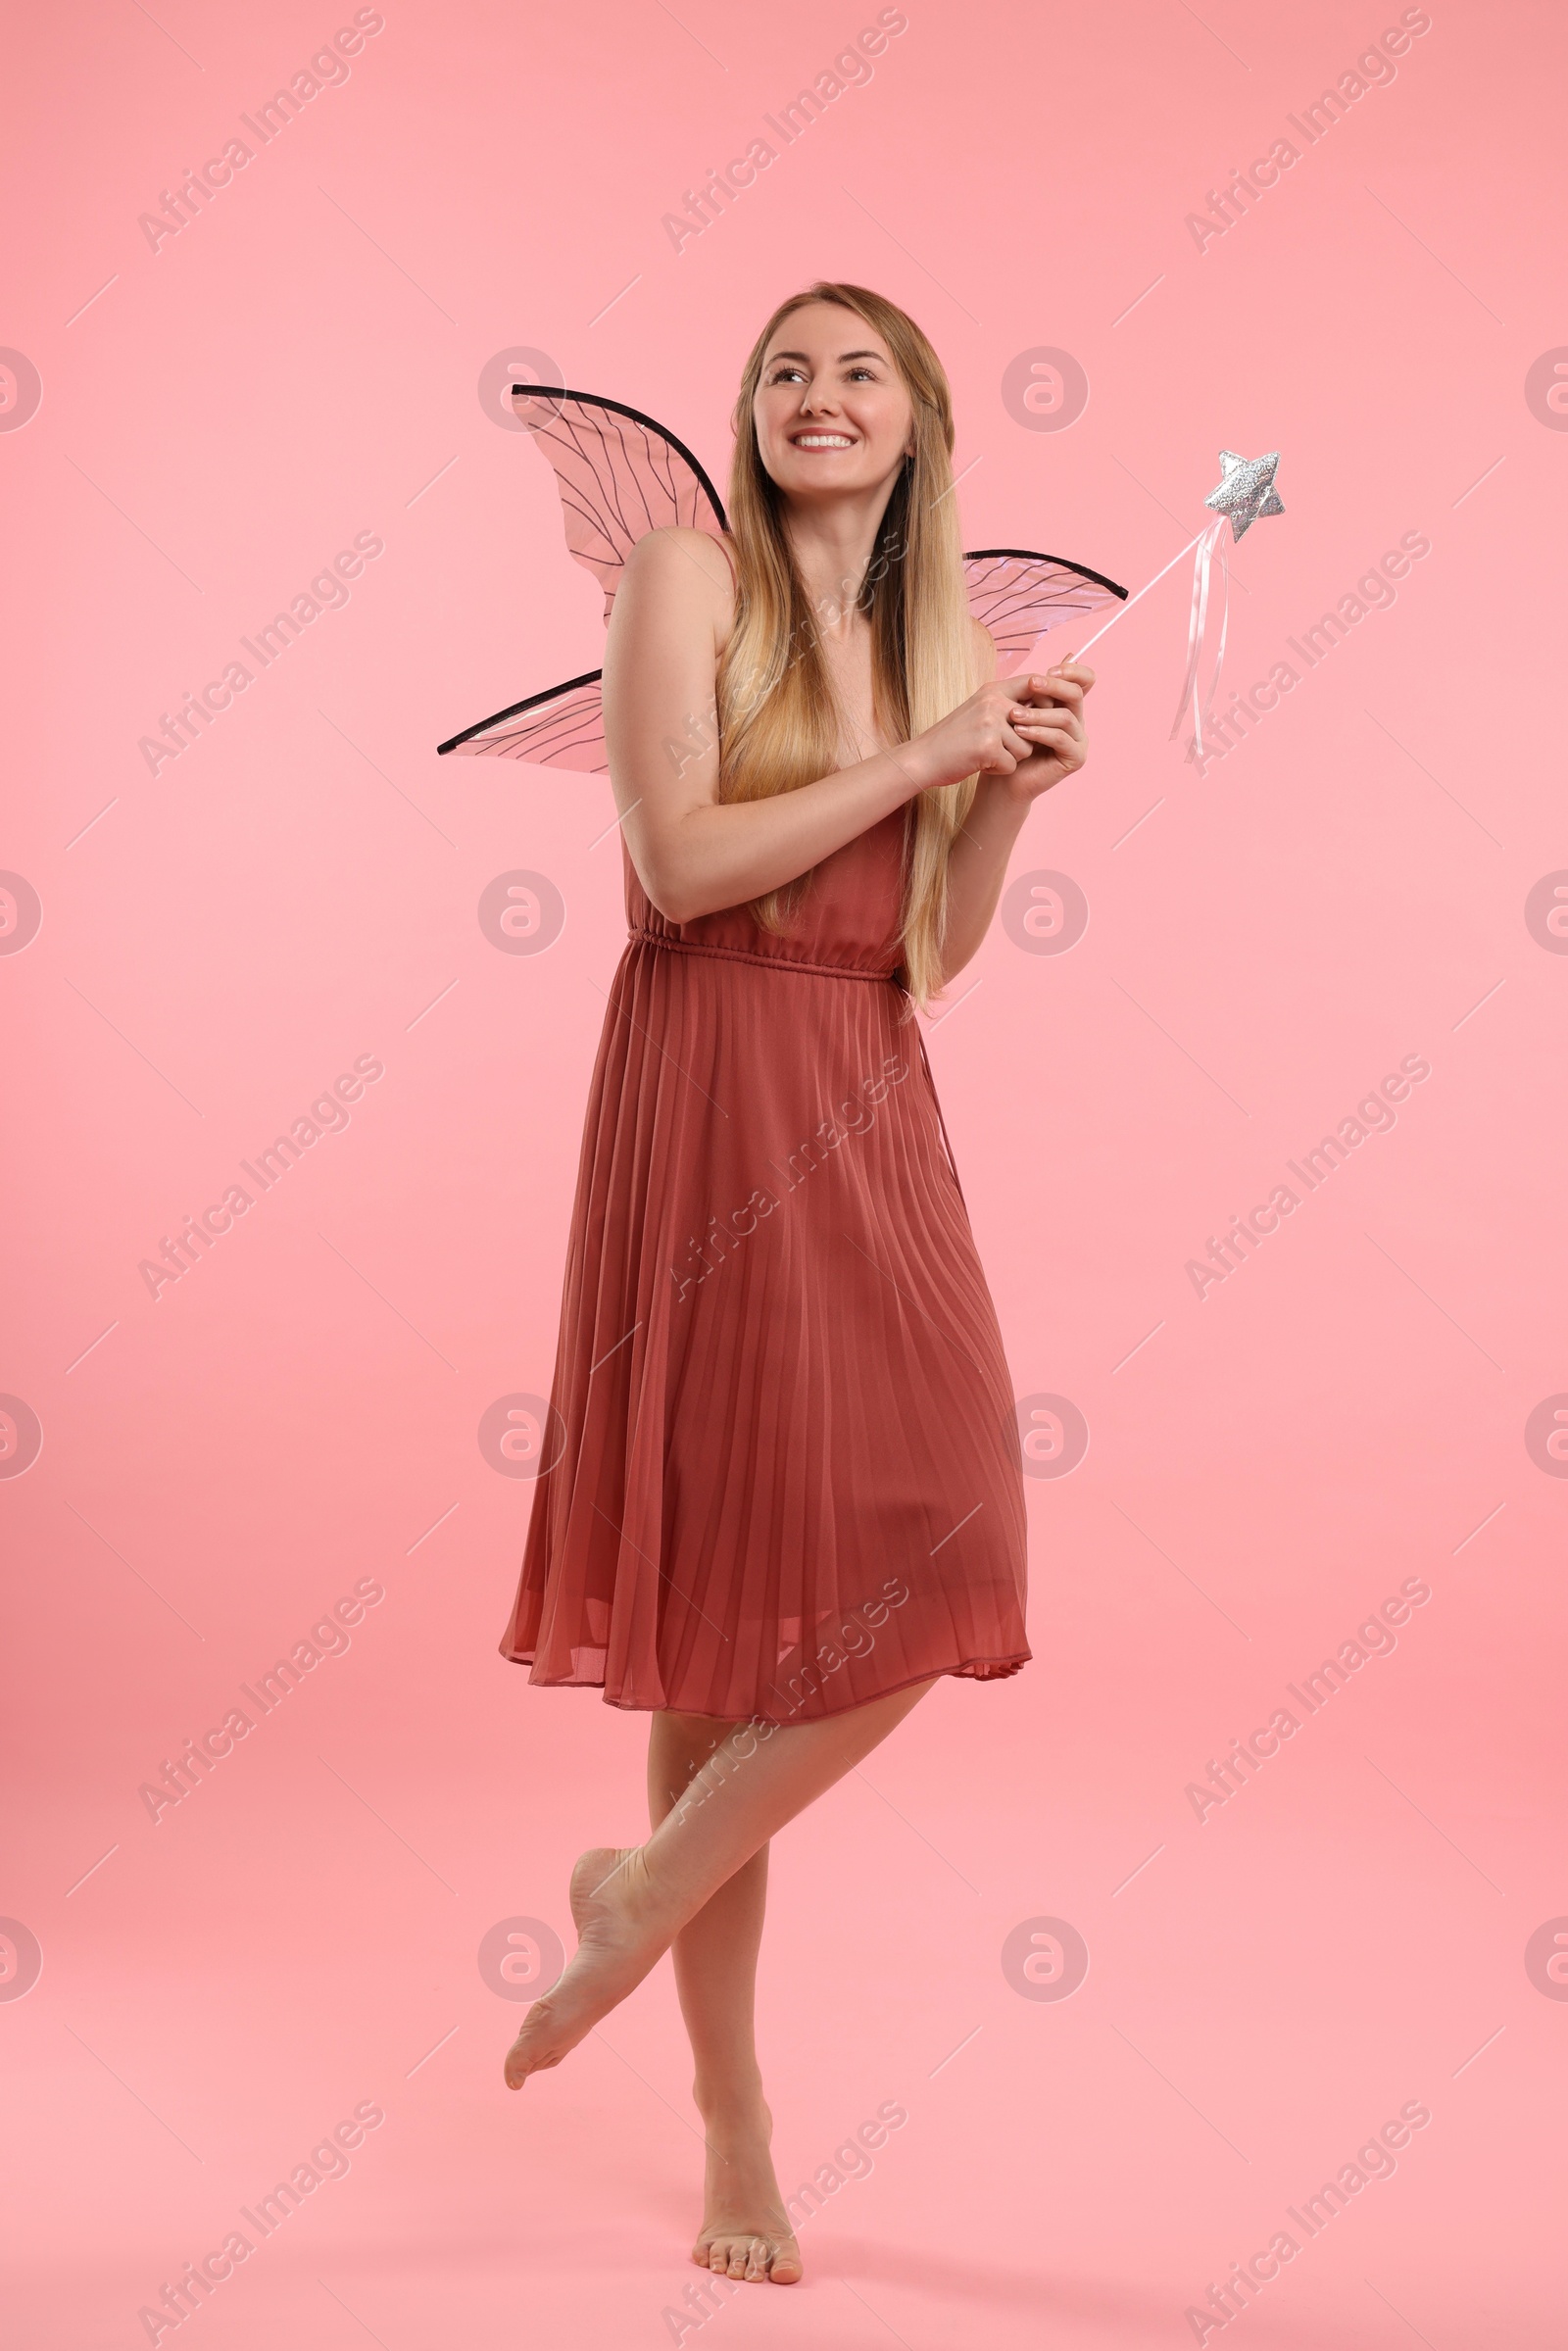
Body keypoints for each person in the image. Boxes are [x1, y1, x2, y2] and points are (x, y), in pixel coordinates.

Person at [497, 280, 1096, 2287]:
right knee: (731, 1634)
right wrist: (926, 743)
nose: (815, 395)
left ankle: (635, 1891)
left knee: (949, 1529)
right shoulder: (691, 579)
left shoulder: (925, 644)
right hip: (705, 1096)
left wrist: (991, 796)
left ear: (922, 423)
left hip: (866, 1089)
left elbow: (915, 952)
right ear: (747, 418)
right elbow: (676, 859)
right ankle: (731, 2121)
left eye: (858, 372)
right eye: (784, 369)